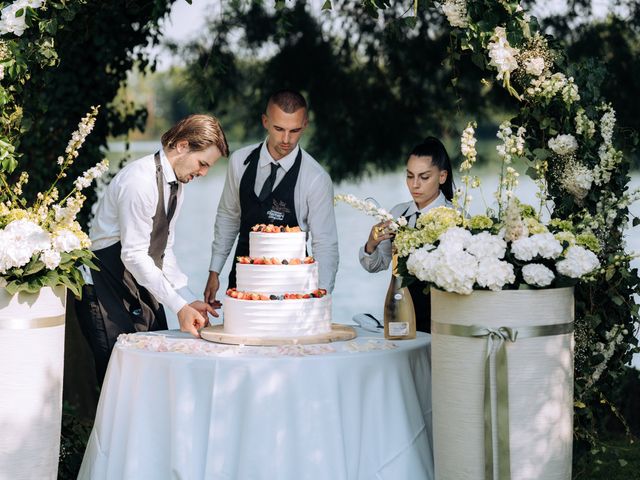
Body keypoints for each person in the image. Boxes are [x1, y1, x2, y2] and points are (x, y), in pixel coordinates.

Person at [75, 114, 229, 384]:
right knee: (120, 383)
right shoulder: (139, 181)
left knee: (154, 376)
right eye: (202, 163)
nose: (203, 173)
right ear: (182, 146)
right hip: (104, 289)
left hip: (138, 285)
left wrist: (187, 298)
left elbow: (163, 249)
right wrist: (178, 307)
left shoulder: (176, 185)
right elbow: (133, 254)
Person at [204, 90, 338, 304]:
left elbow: (325, 243)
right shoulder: (240, 162)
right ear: (265, 121)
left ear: (305, 125)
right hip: (241, 283)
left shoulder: (316, 178)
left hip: (293, 291)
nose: (286, 139)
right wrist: (214, 270)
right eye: (279, 129)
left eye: (294, 130)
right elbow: (228, 217)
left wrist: (321, 299)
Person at [359, 137, 454, 333]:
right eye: (410, 176)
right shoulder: (397, 213)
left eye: (424, 177)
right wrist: (371, 245)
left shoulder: (456, 218)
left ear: (442, 176)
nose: (415, 185)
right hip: (400, 316)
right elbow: (376, 266)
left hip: (442, 321)